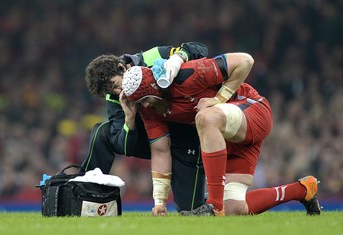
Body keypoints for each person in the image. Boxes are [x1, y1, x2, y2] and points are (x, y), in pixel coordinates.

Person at [121, 53, 322, 216]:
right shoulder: (150, 111)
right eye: (139, 103)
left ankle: (214, 206)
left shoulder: (187, 73)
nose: (144, 106)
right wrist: (159, 201)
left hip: (252, 112)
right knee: (235, 208)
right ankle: (304, 189)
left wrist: (219, 98)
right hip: (228, 137)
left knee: (206, 118)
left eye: (145, 100)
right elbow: (160, 151)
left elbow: (245, 60)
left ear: (156, 87)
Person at [82, 42, 208, 214]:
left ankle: (213, 199)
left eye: (115, 85)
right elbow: (125, 147)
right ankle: (86, 196)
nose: (119, 91)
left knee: (192, 210)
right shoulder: (115, 98)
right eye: (111, 91)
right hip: (152, 137)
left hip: (185, 137)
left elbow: (199, 49)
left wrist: (178, 58)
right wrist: (130, 118)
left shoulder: (152, 57)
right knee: (102, 131)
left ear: (121, 67)